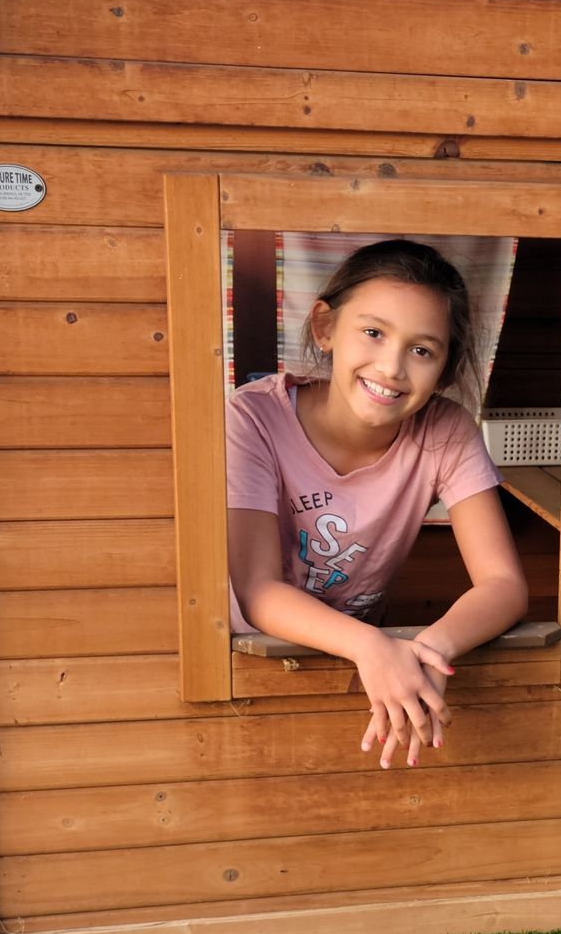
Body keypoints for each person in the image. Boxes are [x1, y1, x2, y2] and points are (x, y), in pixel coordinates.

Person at [226, 238, 529, 770]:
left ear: (446, 369)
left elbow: (503, 585)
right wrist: (371, 646)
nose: (391, 367)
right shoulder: (250, 419)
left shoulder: (446, 429)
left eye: (422, 350)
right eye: (373, 332)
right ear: (325, 328)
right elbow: (255, 590)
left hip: (378, 663)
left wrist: (433, 648)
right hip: (254, 661)